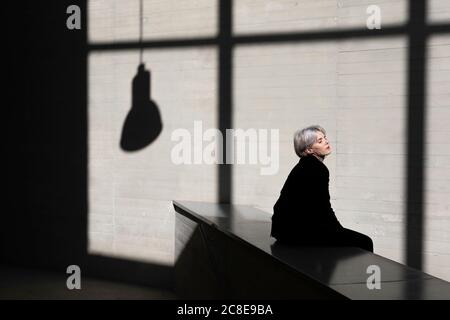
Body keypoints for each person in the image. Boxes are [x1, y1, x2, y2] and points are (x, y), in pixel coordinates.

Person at [271, 125, 373, 252]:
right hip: (297, 233)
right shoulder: (317, 169)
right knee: (365, 242)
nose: (326, 141)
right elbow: (323, 207)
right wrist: (339, 231)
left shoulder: (304, 165)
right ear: (309, 150)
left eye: (324, 138)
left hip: (283, 230)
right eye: (320, 141)